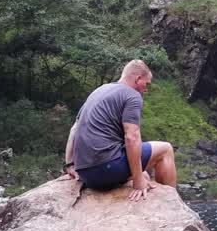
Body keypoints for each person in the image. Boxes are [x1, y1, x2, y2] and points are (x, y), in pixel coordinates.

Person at [59, 60, 177, 201]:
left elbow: (74, 129)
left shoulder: (99, 91)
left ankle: (129, 179)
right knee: (166, 149)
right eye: (147, 83)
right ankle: (171, 201)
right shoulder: (132, 95)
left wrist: (70, 165)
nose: (146, 89)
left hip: (86, 175)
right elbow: (131, 138)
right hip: (107, 170)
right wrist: (138, 182)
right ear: (138, 78)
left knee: (144, 174)